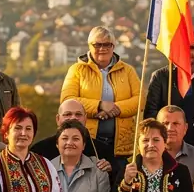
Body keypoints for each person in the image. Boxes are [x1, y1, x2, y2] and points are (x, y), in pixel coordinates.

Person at [61, 27, 142, 159]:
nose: (102, 48)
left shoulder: (128, 71)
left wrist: (116, 108)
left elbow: (140, 99)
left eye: (107, 44)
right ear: (89, 46)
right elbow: (67, 100)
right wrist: (100, 105)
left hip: (120, 147)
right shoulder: (77, 70)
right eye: (97, 44)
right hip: (87, 144)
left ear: (113, 46)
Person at [145, 33, 194, 155]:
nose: (189, 52)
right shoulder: (160, 77)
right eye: (184, 48)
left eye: (193, 48)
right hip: (167, 149)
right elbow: (151, 114)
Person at [33, 98, 114, 170]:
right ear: (58, 119)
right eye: (67, 114)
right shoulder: (39, 151)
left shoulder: (103, 152)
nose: (73, 118)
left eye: (78, 114)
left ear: (85, 119)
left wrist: (109, 171)